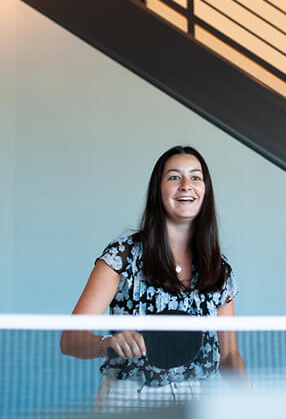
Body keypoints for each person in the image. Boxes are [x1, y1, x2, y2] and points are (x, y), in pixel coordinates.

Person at [60, 146, 246, 407]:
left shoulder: (219, 269)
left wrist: (249, 395)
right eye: (174, 177)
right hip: (130, 400)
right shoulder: (122, 257)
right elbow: (70, 340)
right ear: (158, 191)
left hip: (197, 400)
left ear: (205, 190)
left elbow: (228, 355)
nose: (186, 185)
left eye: (195, 177)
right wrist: (108, 343)